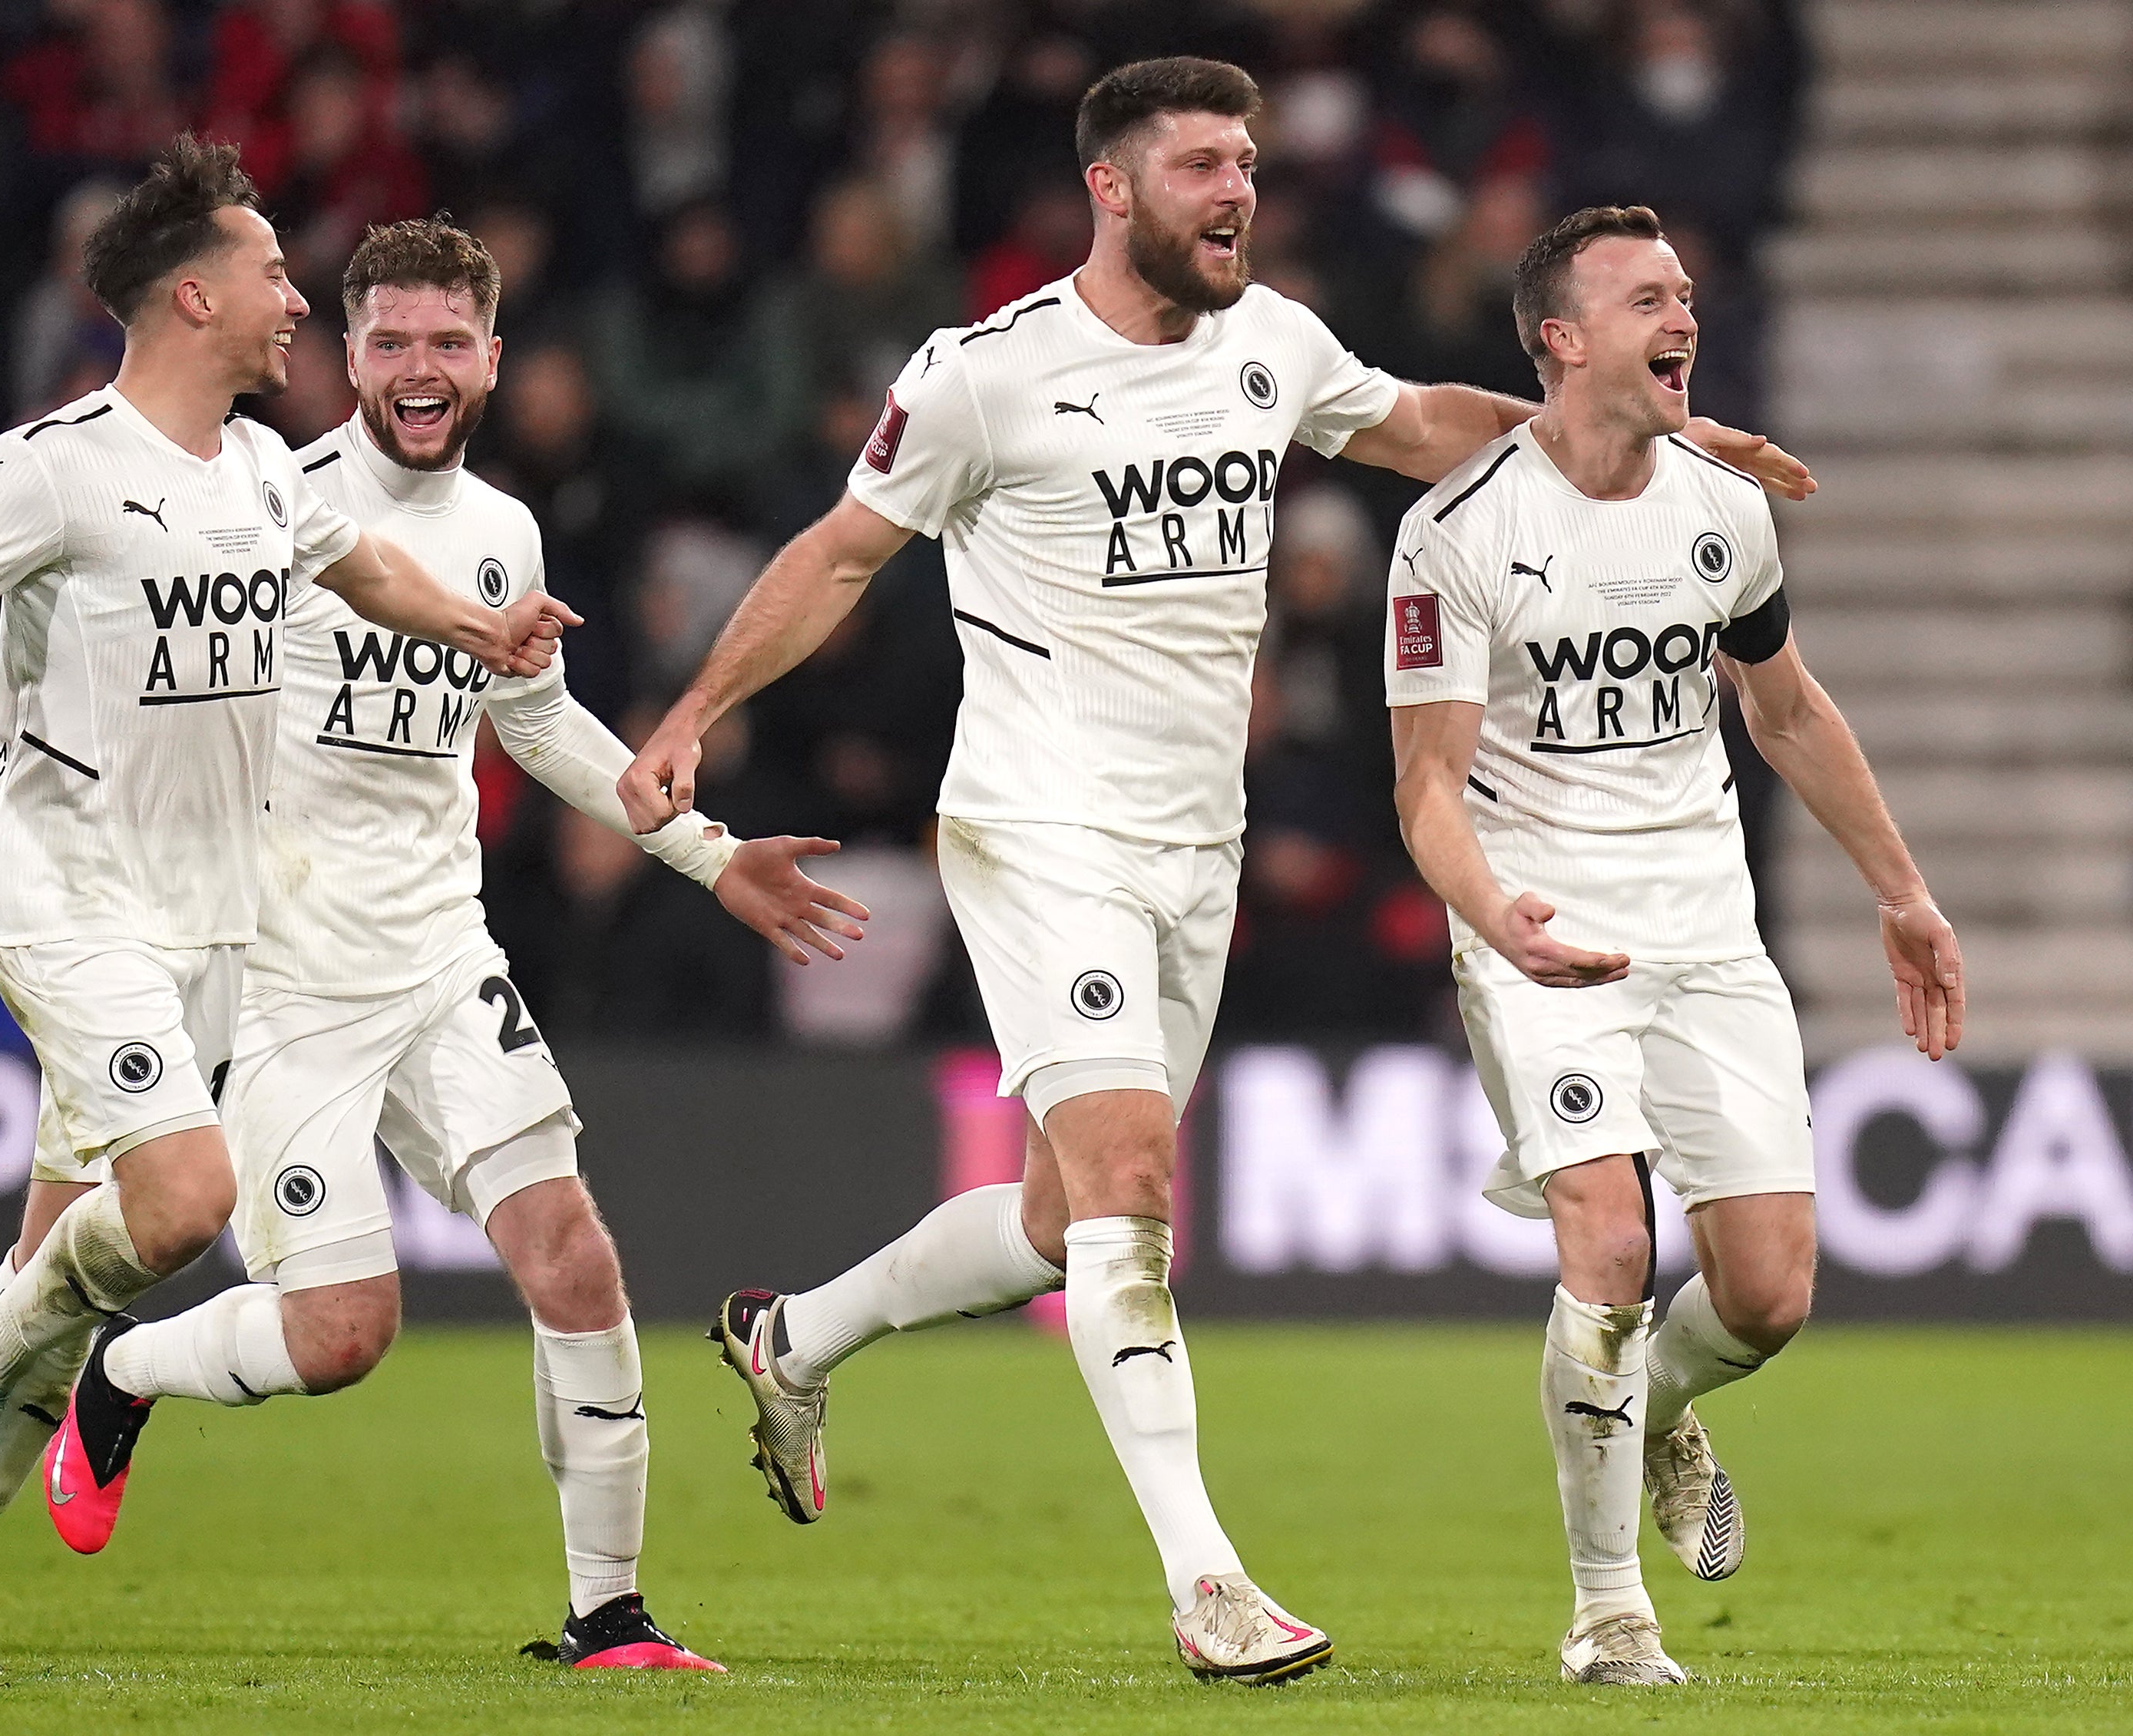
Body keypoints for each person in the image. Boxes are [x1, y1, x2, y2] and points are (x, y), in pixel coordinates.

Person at [615, 58, 1813, 1685]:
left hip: (1197, 844)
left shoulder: (1274, 345)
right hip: (1042, 824)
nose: (1236, 191)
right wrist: (697, 706)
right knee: (1128, 1187)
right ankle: (1210, 1587)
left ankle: (792, 1334)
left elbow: (1420, 427)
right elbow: (841, 550)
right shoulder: (987, 374)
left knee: (1058, 1220)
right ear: (1109, 188)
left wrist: (1635, 431)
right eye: (1199, 167)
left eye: (1244, 163)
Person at [0, 137, 571, 1677]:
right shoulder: (49, 467)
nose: (294, 297)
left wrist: (485, 627)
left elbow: (372, 575)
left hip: (213, 926)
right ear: (193, 295)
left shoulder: (268, 472)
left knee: (74, 1264)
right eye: (273, 271)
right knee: (189, 1204)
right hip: (69, 900)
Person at [21, 218, 861, 1674]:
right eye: (390, 342)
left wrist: (710, 856)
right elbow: (141, 680)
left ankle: (608, 1614)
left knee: (574, 1259)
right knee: (343, 1334)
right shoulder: (257, 500)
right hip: (281, 975)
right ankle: (127, 1369)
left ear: (492, 357)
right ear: (344, 356)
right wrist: (41, 817)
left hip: (438, 955)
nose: (421, 369)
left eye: (448, 342)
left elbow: (528, 718)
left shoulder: (502, 533)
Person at [1383, 204, 1963, 1685]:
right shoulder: (1456, 532)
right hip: (1544, 920)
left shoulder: (1722, 504)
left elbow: (1781, 707)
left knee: (1766, 1292)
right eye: (1647, 297)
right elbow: (1426, 788)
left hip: (1705, 920)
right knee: (1609, 1242)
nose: (1682, 316)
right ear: (1562, 339)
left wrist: (1901, 890)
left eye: (1687, 293)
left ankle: (1653, 1409)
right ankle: (1604, 1613)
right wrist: (1493, 911)